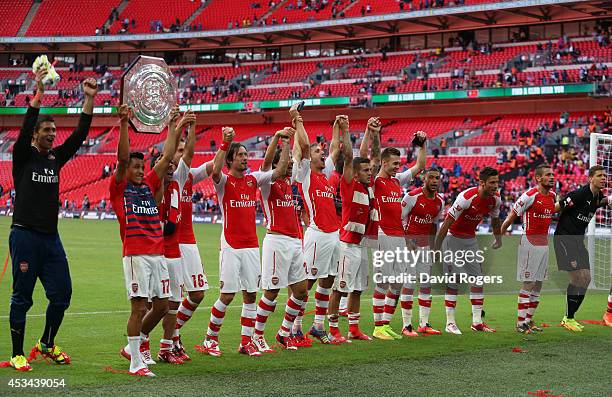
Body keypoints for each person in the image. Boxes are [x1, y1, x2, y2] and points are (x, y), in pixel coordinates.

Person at [7, 65, 97, 372]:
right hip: (24, 235)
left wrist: (89, 98)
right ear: (36, 134)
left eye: (54, 131)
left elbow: (81, 134)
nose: (52, 134)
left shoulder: (55, 158)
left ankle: (46, 343)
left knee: (63, 295)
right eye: (47, 130)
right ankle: (18, 352)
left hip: (50, 239)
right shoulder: (23, 155)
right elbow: (26, 125)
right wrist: (39, 92)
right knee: (22, 297)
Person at [112, 104, 181, 377]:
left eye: (143, 167)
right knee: (139, 307)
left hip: (158, 254)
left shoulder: (149, 185)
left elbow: (166, 157)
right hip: (136, 255)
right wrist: (124, 123)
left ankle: (133, 346)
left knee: (162, 306)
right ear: (127, 169)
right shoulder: (120, 189)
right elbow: (121, 158)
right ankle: (135, 362)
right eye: (136, 167)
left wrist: (173, 124)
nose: (141, 170)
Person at [199, 127, 277, 357]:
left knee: (251, 294)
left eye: (246, 154)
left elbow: (278, 170)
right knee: (227, 295)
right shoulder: (223, 182)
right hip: (231, 245)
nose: (245, 158)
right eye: (241, 155)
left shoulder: (253, 180)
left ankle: (246, 342)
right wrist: (225, 143)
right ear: (231, 160)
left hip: (252, 245)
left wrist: (277, 140)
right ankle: (210, 339)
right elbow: (214, 170)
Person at [252, 126, 310, 352]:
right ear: (279, 163)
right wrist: (281, 140)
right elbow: (267, 163)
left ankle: (284, 332)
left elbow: (301, 155)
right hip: (276, 241)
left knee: (301, 291)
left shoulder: (292, 185)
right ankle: (257, 335)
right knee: (272, 291)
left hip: (295, 241)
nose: (290, 165)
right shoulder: (268, 182)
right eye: (286, 162)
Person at [290, 106, 342, 344]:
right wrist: (297, 119)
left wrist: (337, 127)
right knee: (306, 283)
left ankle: (318, 326)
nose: (322, 153)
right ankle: (295, 326)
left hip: (334, 235)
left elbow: (334, 149)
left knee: (328, 280)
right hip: (317, 234)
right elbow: (302, 147)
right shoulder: (306, 174)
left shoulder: (325, 174)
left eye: (322, 151)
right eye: (317, 151)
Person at [327, 117, 380, 341]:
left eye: (371, 170)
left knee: (357, 289)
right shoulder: (349, 185)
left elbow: (375, 156)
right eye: (366, 170)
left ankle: (354, 329)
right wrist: (346, 130)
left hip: (362, 245)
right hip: (347, 245)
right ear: (355, 173)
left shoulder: (369, 188)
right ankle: (332, 330)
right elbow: (350, 156)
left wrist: (374, 133)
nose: (370, 172)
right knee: (339, 288)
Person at [371, 132, 427, 341]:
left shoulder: (397, 181)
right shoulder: (375, 180)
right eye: (394, 163)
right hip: (382, 233)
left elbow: (420, 166)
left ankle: (385, 324)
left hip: (398, 235)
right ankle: (377, 327)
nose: (397, 167)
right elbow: (374, 156)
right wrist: (375, 134)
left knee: (397, 282)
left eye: (399, 163)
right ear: (384, 163)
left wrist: (422, 145)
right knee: (383, 281)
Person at [434, 166, 502, 335]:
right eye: (492, 182)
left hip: (470, 240)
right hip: (453, 238)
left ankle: (477, 322)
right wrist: (436, 249)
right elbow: (447, 223)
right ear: (482, 183)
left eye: (497, 182)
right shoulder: (466, 197)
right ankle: (450, 323)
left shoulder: (495, 200)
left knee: (478, 280)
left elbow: (495, 221)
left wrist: (499, 239)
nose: (496, 186)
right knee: (454, 281)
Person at [172, 112, 214, 360]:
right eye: (176, 150)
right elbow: (185, 154)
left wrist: (225, 147)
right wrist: (187, 126)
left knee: (197, 294)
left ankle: (174, 330)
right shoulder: (174, 174)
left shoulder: (188, 175)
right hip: (172, 243)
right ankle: (171, 342)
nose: (182, 153)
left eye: (182, 150)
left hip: (189, 242)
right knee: (172, 299)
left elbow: (212, 167)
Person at [553, 165, 611, 331]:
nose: (603, 178)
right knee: (578, 277)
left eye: (605, 176)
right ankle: (568, 318)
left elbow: (601, 202)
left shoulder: (597, 196)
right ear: (590, 178)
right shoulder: (578, 194)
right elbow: (556, 207)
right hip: (565, 239)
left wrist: (608, 201)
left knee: (587, 278)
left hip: (578, 241)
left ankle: (570, 317)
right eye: (600, 175)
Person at [501, 164, 556, 334]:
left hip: (544, 244)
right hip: (529, 243)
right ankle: (520, 323)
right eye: (548, 174)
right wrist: (499, 235)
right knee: (529, 283)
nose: (552, 177)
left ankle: (529, 320)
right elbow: (512, 215)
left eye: (553, 174)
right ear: (538, 178)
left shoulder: (553, 196)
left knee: (538, 284)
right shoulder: (529, 195)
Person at [400, 167, 445, 336]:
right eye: (431, 178)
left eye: (437, 178)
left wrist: (434, 248)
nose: (434, 181)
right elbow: (398, 219)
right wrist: (406, 241)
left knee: (426, 285)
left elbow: (434, 226)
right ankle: (406, 325)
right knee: (409, 284)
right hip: (409, 247)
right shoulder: (412, 196)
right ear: (424, 179)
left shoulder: (439, 202)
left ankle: (424, 324)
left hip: (425, 247)